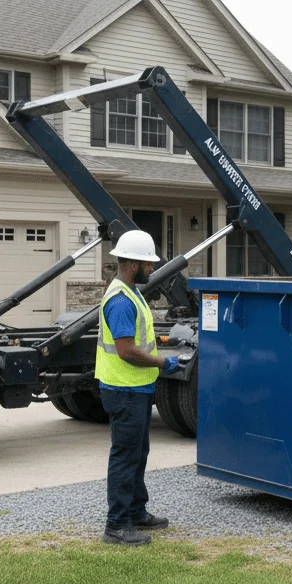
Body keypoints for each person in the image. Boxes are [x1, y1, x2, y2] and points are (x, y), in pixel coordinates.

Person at [97, 229, 181, 545]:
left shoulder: (131, 294)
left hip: (135, 389)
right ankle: (116, 527)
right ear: (133, 264)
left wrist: (162, 343)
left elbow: (138, 339)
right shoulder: (121, 301)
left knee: (138, 453)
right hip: (125, 390)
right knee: (126, 456)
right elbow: (126, 351)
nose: (152, 269)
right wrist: (162, 363)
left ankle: (135, 513)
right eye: (148, 263)